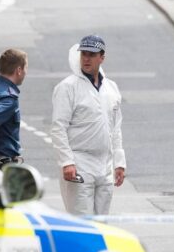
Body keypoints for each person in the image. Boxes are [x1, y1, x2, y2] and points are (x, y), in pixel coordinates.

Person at [50, 35, 126, 216]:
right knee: (82, 222)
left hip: (105, 165)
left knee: (102, 223)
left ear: (102, 57)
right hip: (79, 163)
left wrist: (119, 162)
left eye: (91, 54)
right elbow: (58, 127)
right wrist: (67, 162)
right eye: (83, 54)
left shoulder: (111, 88)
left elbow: (115, 128)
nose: (86, 58)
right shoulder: (68, 87)